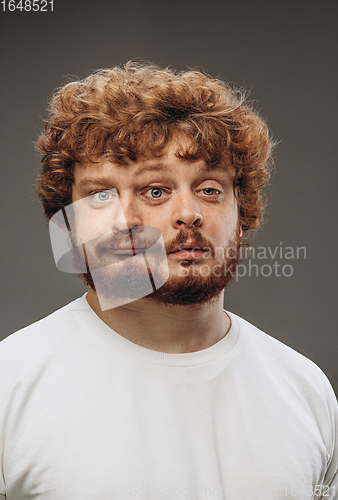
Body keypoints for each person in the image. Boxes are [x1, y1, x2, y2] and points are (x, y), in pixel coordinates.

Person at [0, 62, 337, 500]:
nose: (188, 213)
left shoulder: (305, 391)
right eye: (155, 191)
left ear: (242, 215)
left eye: (210, 190)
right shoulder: (11, 384)